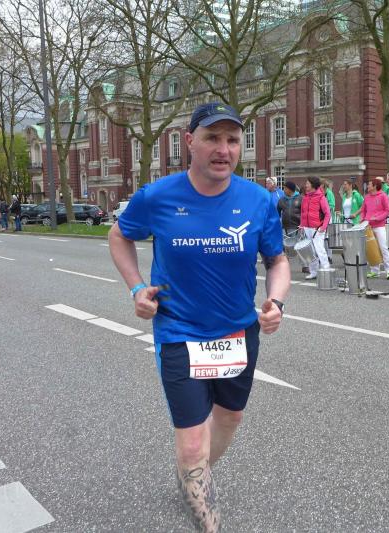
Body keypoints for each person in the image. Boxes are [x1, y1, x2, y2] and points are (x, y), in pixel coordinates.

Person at [108, 101, 290, 533]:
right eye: (212, 138)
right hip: (180, 332)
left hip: (238, 332)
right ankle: (202, 504)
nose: (223, 149)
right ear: (190, 141)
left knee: (229, 419)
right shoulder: (157, 197)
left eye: (232, 140)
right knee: (191, 443)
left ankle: (194, 475)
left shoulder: (258, 200)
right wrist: (136, 288)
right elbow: (119, 235)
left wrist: (276, 302)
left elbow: (277, 261)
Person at [299, 176, 331, 280]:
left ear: (313, 185)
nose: (306, 185)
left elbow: (327, 214)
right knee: (310, 251)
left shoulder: (321, 197)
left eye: (307, 183)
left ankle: (326, 270)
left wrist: (323, 227)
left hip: (318, 228)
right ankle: (313, 272)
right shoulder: (305, 197)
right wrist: (302, 225)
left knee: (320, 250)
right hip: (307, 228)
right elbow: (303, 213)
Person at [361, 177, 389, 279]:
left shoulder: (383, 196)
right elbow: (363, 210)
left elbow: (387, 210)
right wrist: (362, 219)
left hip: (379, 226)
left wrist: (377, 218)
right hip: (368, 226)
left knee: (383, 248)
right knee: (371, 248)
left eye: (369, 184)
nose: (368, 186)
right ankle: (375, 271)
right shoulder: (366, 197)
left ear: (374, 186)